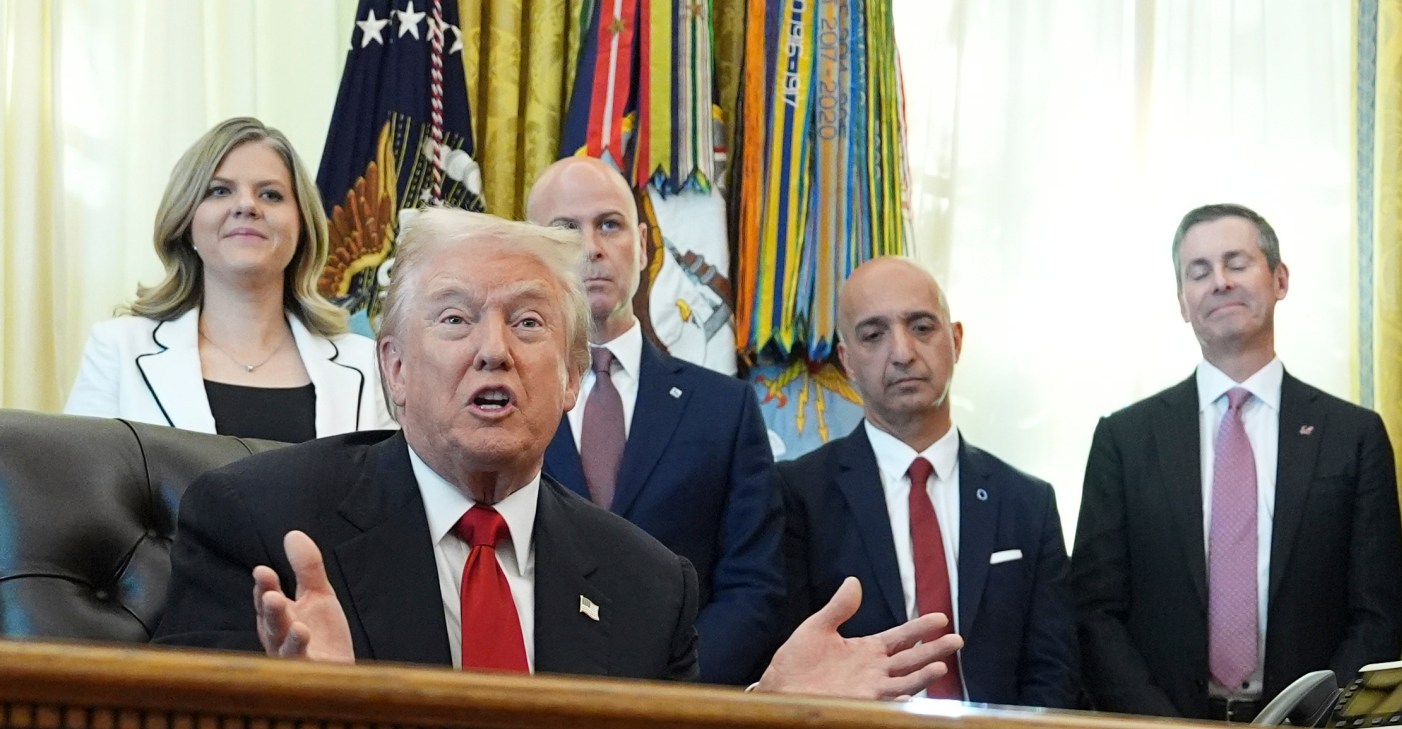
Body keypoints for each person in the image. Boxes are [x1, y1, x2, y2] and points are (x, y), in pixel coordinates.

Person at [152, 208, 959, 702]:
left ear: (574, 377)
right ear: (393, 367)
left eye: (529, 324)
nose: (494, 352)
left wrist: (766, 707)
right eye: (455, 320)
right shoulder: (261, 525)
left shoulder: (650, 585)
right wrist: (301, 714)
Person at [1073, 203, 1402, 721]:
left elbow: (1378, 613)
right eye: (1199, 272)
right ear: (1183, 302)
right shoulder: (1126, 438)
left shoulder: (1353, 436)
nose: (1220, 282)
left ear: (1280, 279)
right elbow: (1096, 612)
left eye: (1237, 263)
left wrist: (1318, 724)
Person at [523, 156, 788, 685]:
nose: (592, 248)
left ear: (643, 244)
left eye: (610, 224)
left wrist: (669, 691)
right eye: (564, 230)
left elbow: (754, 588)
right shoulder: (500, 399)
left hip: (682, 713)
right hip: (533, 702)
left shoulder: (724, 410)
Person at [776, 257, 1077, 708]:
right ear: (847, 361)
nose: (902, 352)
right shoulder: (797, 494)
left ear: (955, 341)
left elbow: (1054, 675)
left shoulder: (1027, 503)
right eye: (874, 335)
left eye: (921, 327)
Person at [64, 117, 390, 441]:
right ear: (186, 220)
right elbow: (79, 486)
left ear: (302, 226)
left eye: (271, 195)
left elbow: (394, 490)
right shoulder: (118, 350)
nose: (247, 205)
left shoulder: (365, 362)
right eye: (219, 191)